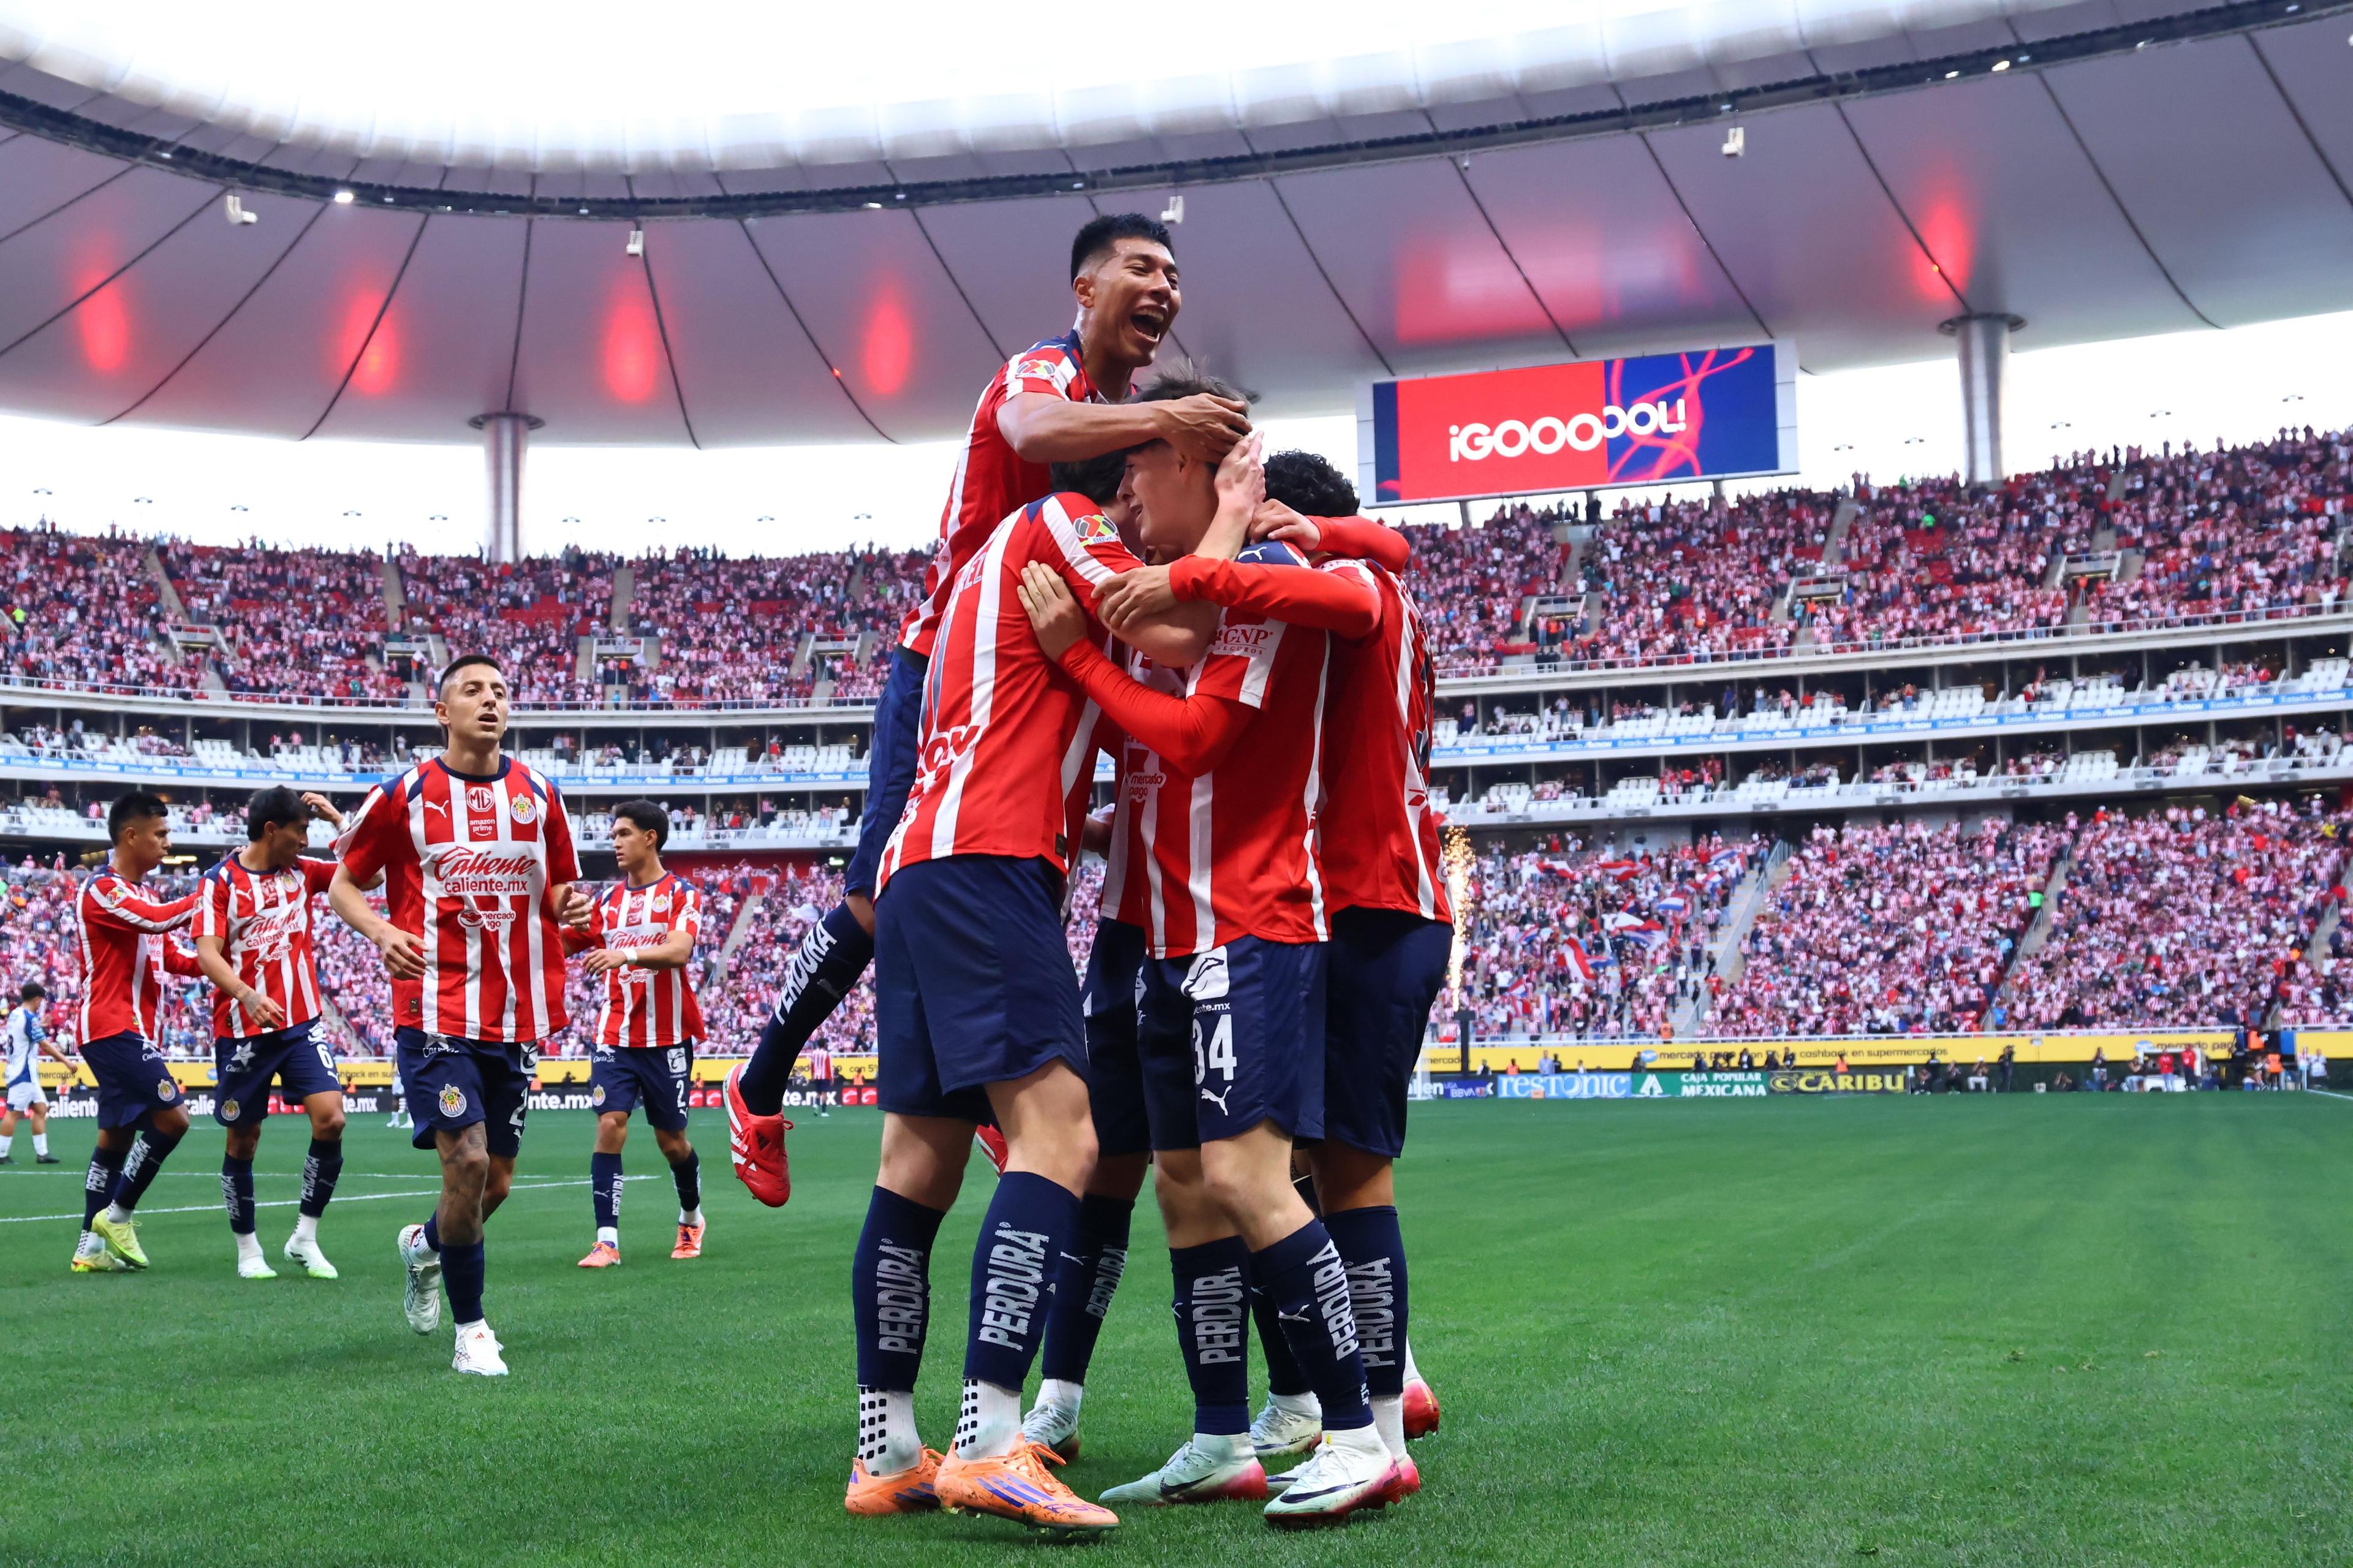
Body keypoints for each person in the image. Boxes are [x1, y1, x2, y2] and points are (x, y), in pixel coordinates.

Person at [724, 211, 1251, 1199]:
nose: (1166, 286)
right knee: (885, 891)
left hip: (1054, 664)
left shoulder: (1134, 411)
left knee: (1029, 870)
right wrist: (1167, 426)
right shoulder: (1044, 373)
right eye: (1142, 266)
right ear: (1085, 289)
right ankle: (757, 1080)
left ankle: (991, 1091)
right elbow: (1031, 432)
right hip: (953, 660)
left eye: (1176, 273)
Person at [839, 439, 1236, 1534]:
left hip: (921, 866)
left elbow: (1025, 713)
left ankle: (886, 1449)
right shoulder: (1062, 520)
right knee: (1060, 1135)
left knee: (915, 1162)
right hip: (990, 862)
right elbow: (1183, 630)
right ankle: (989, 1440)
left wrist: (1089, 815)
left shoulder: (975, 573)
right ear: (1119, 483)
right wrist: (1237, 519)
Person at [1022, 392, 1398, 1526]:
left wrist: (1077, 656)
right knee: (1186, 1190)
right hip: (1168, 940)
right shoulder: (1173, 603)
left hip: (1255, 923)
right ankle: (1222, 1433)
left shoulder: (1257, 594)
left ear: (1198, 468)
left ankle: (1356, 1430)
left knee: (1247, 1176)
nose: (1123, 499)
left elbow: (1194, 741)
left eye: (1139, 473)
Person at [1079, 447, 1448, 1480]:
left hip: (1370, 895)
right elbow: (1387, 541)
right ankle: (1297, 1406)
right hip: (1351, 892)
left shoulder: (1346, 586)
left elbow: (1364, 566)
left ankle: (1373, 1415)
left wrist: (1200, 566)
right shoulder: (1358, 564)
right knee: (1273, 1165)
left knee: (1340, 1168)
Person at [330, 654, 590, 1376]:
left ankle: (424, 1248)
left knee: (493, 1182)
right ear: (441, 711)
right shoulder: (404, 794)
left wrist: (573, 909)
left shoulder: (542, 794)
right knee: (468, 1162)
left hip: (516, 1015)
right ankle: (473, 1332)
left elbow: (562, 892)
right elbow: (346, 887)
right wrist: (382, 932)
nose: (490, 701)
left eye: (501, 692)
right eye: (473, 691)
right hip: (436, 1007)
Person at [190, 787, 352, 1281]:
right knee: (244, 1139)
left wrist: (336, 818)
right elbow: (207, 952)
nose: (307, 840)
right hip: (243, 1032)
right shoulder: (219, 883)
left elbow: (372, 871)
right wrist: (247, 994)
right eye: (301, 831)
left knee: (332, 1120)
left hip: (301, 1024)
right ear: (270, 831)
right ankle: (247, 1249)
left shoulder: (302, 874)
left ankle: (305, 1236)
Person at [567, 800, 711, 1267]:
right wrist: (549, 914)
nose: (616, 842)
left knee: (673, 1142)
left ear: (651, 837)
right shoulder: (607, 902)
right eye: (614, 834)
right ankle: (606, 1240)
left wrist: (625, 956)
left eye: (624, 833)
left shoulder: (681, 894)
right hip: (614, 1037)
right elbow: (563, 939)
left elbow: (680, 950)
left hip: (666, 1039)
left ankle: (691, 1218)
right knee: (610, 1124)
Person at [70, 792, 203, 1273]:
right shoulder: (103, 888)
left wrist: (220, 968)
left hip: (131, 1028)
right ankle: (119, 1213)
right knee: (174, 1118)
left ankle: (89, 1248)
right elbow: (157, 921)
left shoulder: (144, 892)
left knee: (115, 1138)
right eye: (160, 834)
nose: (168, 844)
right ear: (132, 835)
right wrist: (210, 891)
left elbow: (169, 957)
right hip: (112, 1026)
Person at [1, 981, 69, 1164]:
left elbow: (24, 1034)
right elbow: (44, 1045)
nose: (41, 1005)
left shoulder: (15, 1014)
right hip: (23, 1072)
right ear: (37, 999)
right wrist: (66, 1061)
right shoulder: (29, 1018)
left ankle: (42, 1153)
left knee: (40, 1108)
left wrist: (40, 1024)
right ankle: (1, 1154)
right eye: (41, 1001)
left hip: (21, 1069)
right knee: (13, 1113)